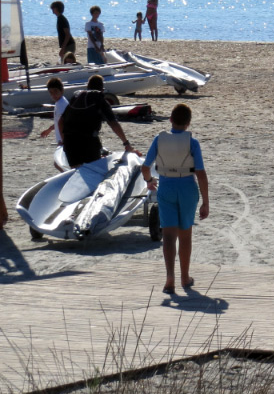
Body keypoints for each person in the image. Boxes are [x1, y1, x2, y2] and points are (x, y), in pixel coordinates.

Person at [141, 104, 209, 295]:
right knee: (185, 234)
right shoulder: (192, 143)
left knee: (169, 235)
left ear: (170, 119)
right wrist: (206, 201)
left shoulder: (159, 139)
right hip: (186, 186)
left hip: (166, 186)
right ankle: (184, 277)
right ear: (188, 123)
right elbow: (201, 173)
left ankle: (169, 277)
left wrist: (148, 181)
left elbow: (145, 168)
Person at [59, 75, 136, 167]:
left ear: (87, 87)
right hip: (88, 142)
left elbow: (60, 121)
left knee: (76, 173)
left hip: (70, 141)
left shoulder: (76, 98)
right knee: (94, 172)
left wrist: (64, 141)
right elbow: (113, 123)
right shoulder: (100, 99)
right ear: (102, 89)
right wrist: (126, 143)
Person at [39, 77, 68, 143]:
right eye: (51, 92)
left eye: (55, 91)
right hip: (61, 139)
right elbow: (57, 122)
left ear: (62, 90)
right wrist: (49, 130)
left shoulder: (62, 104)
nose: (53, 95)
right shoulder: (58, 103)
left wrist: (63, 141)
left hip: (63, 140)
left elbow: (64, 123)